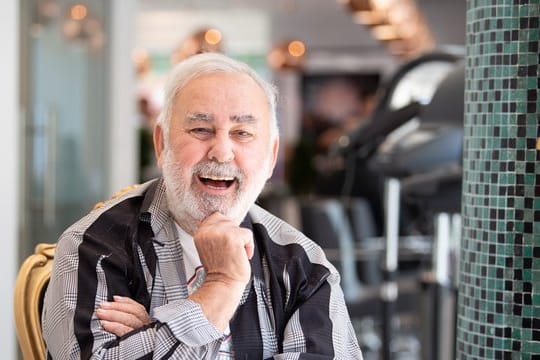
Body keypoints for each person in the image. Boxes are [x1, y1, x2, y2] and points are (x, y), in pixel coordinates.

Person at [42, 52, 363, 359]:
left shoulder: (303, 265)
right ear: (161, 143)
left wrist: (157, 336)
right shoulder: (95, 247)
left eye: (242, 132)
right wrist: (220, 288)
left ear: (271, 156)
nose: (221, 152)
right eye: (200, 129)